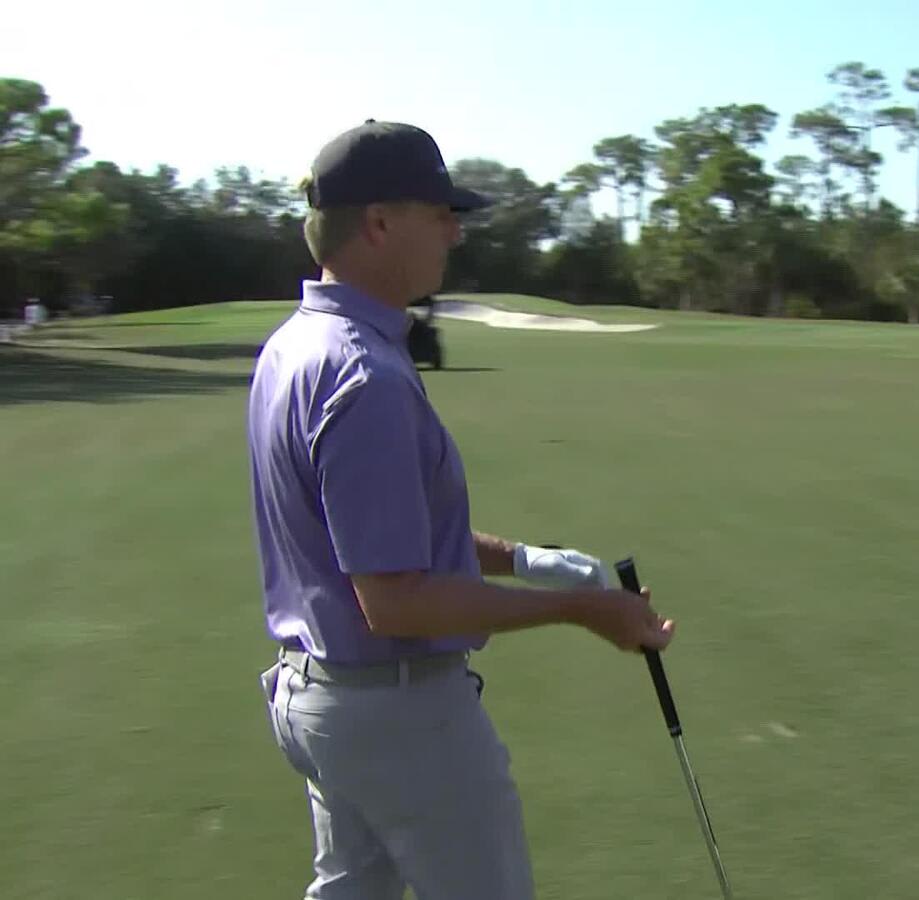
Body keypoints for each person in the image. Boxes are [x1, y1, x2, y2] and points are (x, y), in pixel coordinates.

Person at [246, 120, 675, 900]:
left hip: (321, 702)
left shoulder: (296, 345)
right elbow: (396, 600)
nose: (455, 231)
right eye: (441, 213)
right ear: (379, 223)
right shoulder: (364, 376)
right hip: (398, 718)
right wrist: (584, 610)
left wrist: (526, 560)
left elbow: (376, 532)